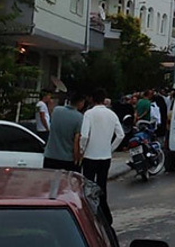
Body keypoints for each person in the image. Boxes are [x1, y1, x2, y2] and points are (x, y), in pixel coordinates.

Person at [80, 89, 124, 225]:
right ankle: (104, 214)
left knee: (87, 186)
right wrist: (110, 149)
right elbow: (121, 135)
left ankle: (88, 213)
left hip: (89, 156)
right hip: (105, 157)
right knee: (102, 185)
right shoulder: (112, 115)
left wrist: (82, 149)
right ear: (104, 99)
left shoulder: (89, 114)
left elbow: (85, 135)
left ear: (92, 99)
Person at [44, 93, 85, 172]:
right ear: (80, 102)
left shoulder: (56, 110)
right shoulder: (79, 117)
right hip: (67, 159)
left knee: (49, 182)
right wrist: (77, 159)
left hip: (50, 156)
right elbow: (76, 141)